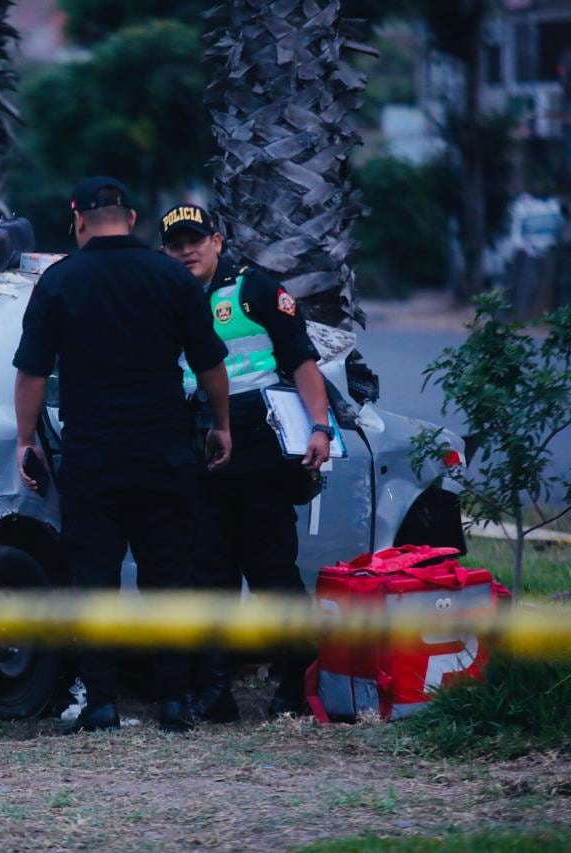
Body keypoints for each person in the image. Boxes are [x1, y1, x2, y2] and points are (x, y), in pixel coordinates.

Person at [12, 177, 233, 734]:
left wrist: (26, 439)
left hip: (93, 455)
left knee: (94, 578)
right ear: (130, 218)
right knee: (168, 576)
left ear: (78, 220)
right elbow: (210, 363)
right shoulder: (169, 276)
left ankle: (102, 702)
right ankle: (175, 701)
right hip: (163, 451)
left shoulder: (59, 281)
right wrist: (222, 425)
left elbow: (32, 371)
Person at [159, 203, 331, 720]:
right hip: (202, 446)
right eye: (175, 244)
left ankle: (299, 684)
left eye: (195, 240)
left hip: (259, 447)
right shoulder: (170, 296)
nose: (186, 251)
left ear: (216, 240)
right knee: (208, 571)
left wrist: (319, 427)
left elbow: (301, 362)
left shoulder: (254, 289)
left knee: (271, 570)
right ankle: (216, 692)